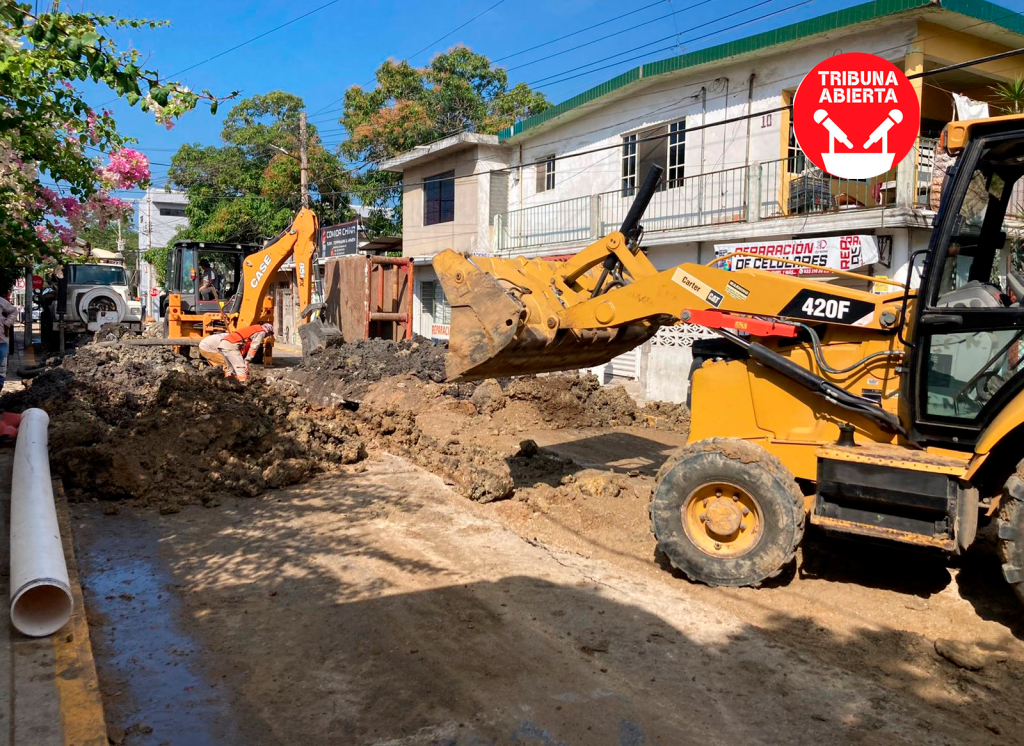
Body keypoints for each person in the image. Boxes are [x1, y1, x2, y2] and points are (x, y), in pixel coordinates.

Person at [0, 294, 14, 392]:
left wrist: (7, 323)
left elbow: (13, 311)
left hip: (1, 342)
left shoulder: (1, 301)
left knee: (1, 370)